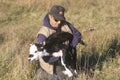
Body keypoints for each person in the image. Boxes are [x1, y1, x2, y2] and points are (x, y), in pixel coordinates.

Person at [37, 5, 82, 77]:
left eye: (61, 19)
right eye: (56, 20)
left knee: (71, 75)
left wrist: (70, 47)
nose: (59, 22)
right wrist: (60, 55)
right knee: (62, 76)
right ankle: (43, 72)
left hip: (65, 59)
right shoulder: (43, 34)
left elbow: (78, 35)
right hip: (51, 64)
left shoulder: (66, 25)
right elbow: (43, 56)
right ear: (50, 16)